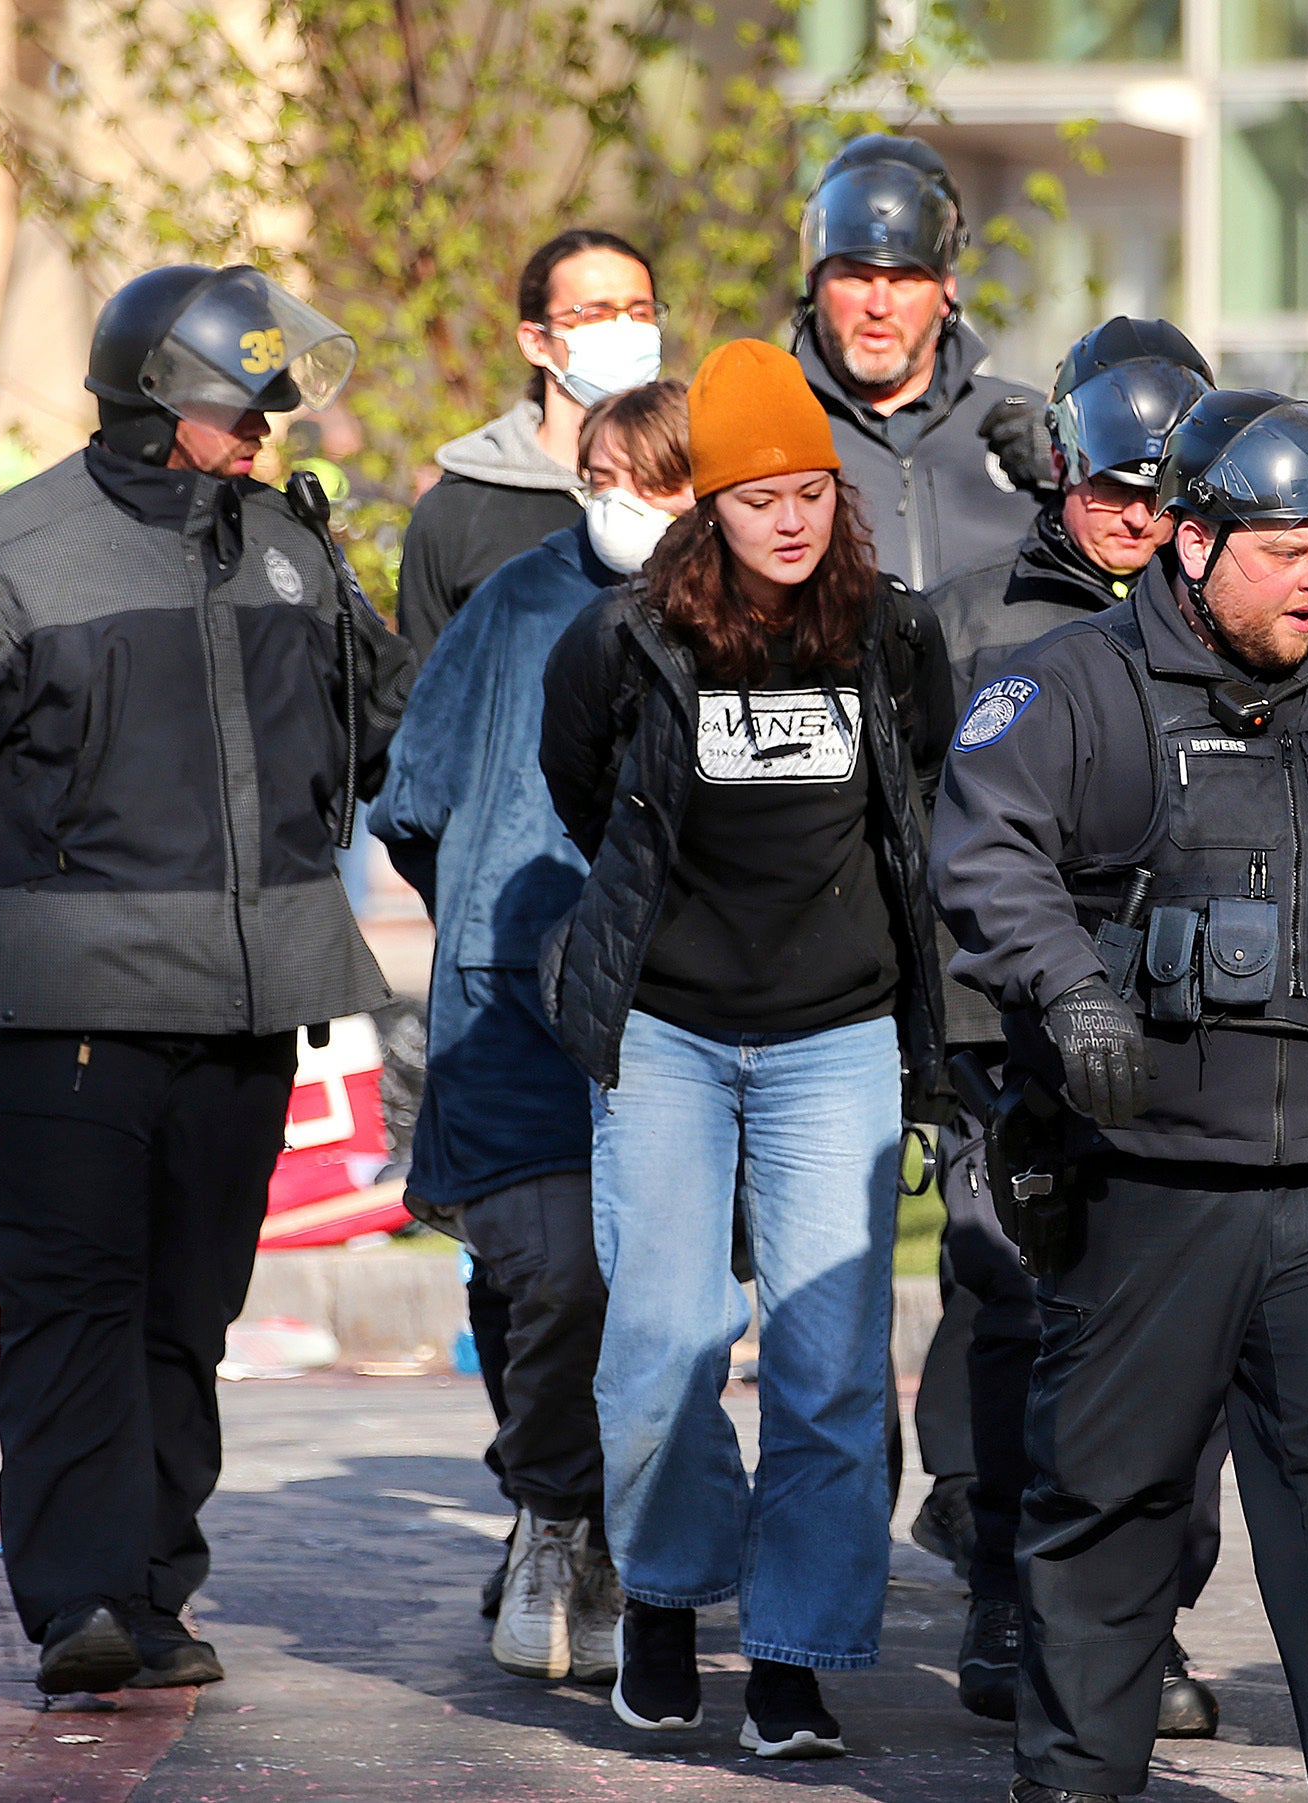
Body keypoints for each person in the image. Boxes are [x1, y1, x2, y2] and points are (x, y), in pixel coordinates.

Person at [0, 265, 413, 1697]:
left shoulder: (289, 545)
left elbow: (389, 740)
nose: (268, 424)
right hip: (50, 1015)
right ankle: (85, 1606)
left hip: (242, 1014)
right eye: (238, 405)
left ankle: (155, 1588)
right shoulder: (10, 556)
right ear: (150, 405)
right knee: (77, 1312)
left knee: (186, 1318)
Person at [932, 390, 1308, 1803]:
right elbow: (983, 852)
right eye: (1288, 551)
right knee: (1114, 1494)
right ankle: (1078, 1776)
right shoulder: (1073, 682)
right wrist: (1071, 989)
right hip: (1144, 1172)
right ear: (1195, 540)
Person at [539, 339, 950, 1759]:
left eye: (813, 491)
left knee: (829, 1368)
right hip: (664, 1031)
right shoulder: (623, 637)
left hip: (838, 1038)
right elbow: (587, 792)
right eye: (759, 493)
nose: (791, 517)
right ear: (708, 502)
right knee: (660, 1341)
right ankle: (661, 1601)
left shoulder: (893, 636)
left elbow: (923, 798)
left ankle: (794, 1657)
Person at [918, 317, 1226, 1731]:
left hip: (1188, 1029)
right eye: (1113, 489)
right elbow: (925, 834)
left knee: (1182, 1328)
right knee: (1016, 1303)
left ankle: (1142, 1617)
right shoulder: (974, 619)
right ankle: (1003, 1600)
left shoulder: (1244, 631)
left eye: (1166, 496)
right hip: (1006, 1028)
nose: (1136, 521)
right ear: (1059, 472)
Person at [369, 381, 693, 1686]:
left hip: (682, 1010)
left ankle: (586, 1524)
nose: (622, 501)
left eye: (654, 479)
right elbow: (415, 795)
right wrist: (490, 908)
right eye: (603, 472)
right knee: (547, 1268)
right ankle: (559, 1513)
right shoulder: (513, 604)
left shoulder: (758, 624)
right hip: (516, 1003)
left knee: (641, 1295)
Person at [792, 133, 1043, 588]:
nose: (879, 305)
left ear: (947, 292)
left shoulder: (1029, 428)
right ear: (814, 282)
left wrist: (1077, 473)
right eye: (856, 277)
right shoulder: (768, 422)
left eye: (905, 280)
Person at [397, 228, 661, 661]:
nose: (624, 329)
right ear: (535, 342)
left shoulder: (702, 491)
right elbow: (426, 699)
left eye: (641, 311)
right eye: (594, 314)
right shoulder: (460, 513)